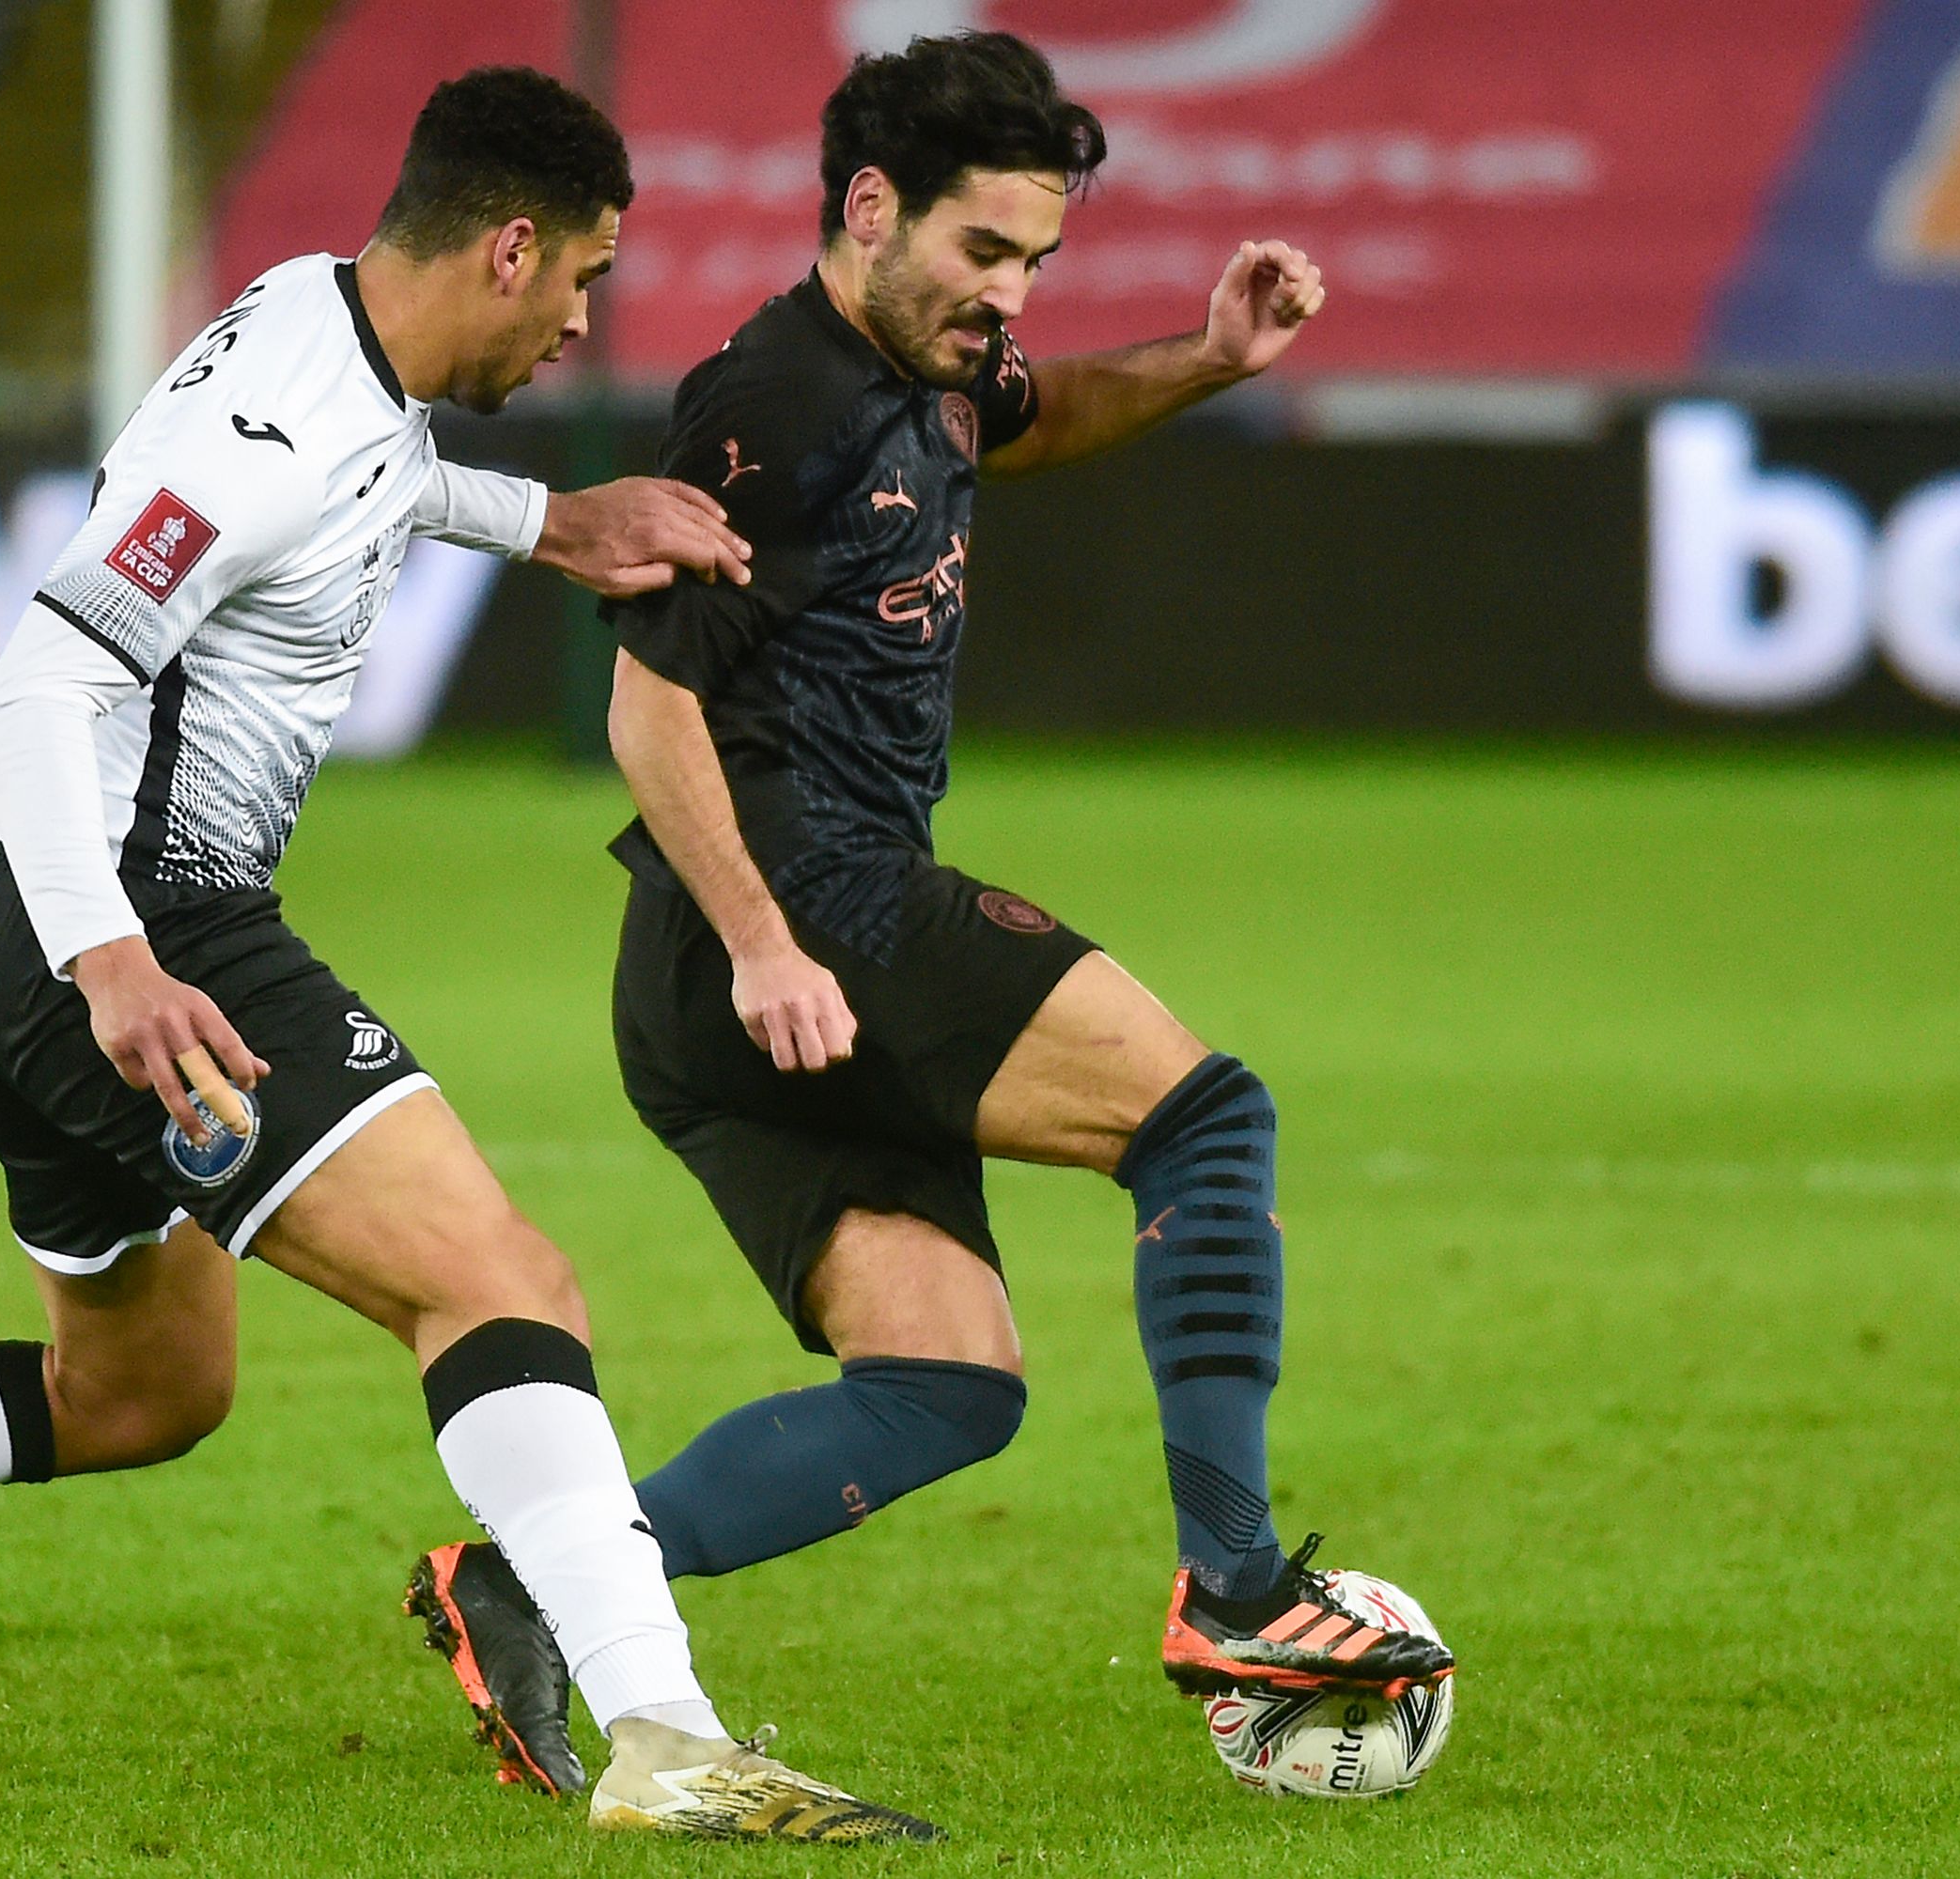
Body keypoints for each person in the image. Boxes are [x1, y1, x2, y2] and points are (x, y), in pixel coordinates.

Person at [0, 66, 936, 1846]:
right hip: (125, 929)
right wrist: (114, 967)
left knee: (143, 1390)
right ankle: (667, 1736)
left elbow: (372, 475)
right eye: (576, 280)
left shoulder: (323, 322)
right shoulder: (259, 425)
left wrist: (547, 521)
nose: (580, 321)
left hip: (1, 928)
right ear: (505, 247)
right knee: (501, 1283)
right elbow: (36, 684)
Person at [416, 31, 1454, 1764]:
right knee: (1206, 1124)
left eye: (1038, 260)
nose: (1011, 295)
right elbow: (645, 701)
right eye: (986, 252)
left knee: (948, 1386)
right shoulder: (774, 403)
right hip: (799, 914)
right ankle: (1241, 1589)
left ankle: (528, 1580)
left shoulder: (929, 363)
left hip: (718, 977)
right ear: (871, 209)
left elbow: (1030, 422)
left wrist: (1205, 355)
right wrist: (766, 942)